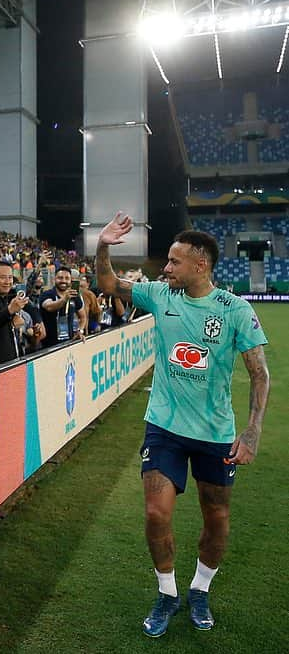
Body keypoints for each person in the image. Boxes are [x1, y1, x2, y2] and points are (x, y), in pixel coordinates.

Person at [96, 215, 269, 637]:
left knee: (217, 518)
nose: (166, 269)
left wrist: (251, 431)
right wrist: (102, 246)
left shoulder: (234, 310)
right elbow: (109, 285)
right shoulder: (159, 295)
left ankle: (200, 589)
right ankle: (168, 592)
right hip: (164, 427)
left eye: (174, 262)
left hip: (214, 433)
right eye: (167, 262)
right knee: (156, 513)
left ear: (200, 265)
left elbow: (260, 373)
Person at [39, 268, 86, 347]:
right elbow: (49, 307)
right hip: (48, 346)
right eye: (60, 278)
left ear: (71, 280)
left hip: (69, 343)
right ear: (55, 279)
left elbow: (83, 317)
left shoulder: (74, 295)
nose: (63, 281)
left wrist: (80, 331)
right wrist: (64, 299)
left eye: (67, 278)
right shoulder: (47, 294)